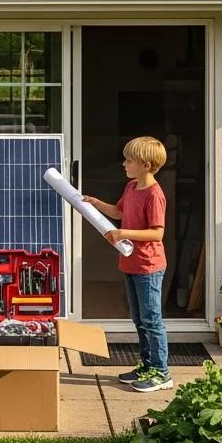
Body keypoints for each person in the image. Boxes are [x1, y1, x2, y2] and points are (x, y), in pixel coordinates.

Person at [83, 136, 173, 393]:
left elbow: (157, 233)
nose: (124, 164)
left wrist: (123, 234)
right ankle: (147, 365)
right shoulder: (132, 187)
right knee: (139, 320)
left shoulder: (154, 195)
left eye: (129, 160)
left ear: (145, 164)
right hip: (131, 263)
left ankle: (162, 372)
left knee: (152, 320)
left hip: (148, 266)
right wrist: (95, 204)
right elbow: (120, 212)